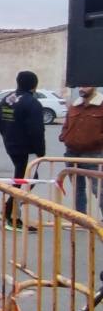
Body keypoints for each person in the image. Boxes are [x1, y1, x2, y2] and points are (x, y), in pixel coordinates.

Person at [0, 71, 46, 232]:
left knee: (22, 178)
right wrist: (40, 152)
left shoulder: (7, 99)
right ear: (34, 85)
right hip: (27, 148)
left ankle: (7, 209)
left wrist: (7, 136)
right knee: (26, 181)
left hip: (11, 145)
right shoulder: (32, 103)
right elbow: (36, 130)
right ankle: (12, 217)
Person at [59, 86, 103, 215]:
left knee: (99, 188)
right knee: (78, 189)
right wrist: (64, 136)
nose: (82, 88)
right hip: (72, 152)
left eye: (86, 85)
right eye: (81, 85)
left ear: (94, 87)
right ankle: (80, 217)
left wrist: (96, 140)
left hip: (93, 154)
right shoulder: (75, 105)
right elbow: (66, 124)